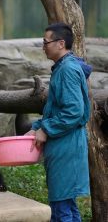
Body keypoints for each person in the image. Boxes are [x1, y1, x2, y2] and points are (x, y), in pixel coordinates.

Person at [25, 22, 92, 222]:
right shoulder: (63, 67)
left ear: (61, 43)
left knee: (61, 209)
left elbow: (74, 111)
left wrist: (46, 129)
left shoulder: (68, 70)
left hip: (67, 145)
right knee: (66, 205)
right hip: (65, 144)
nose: (43, 46)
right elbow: (56, 108)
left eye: (46, 42)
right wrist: (37, 127)